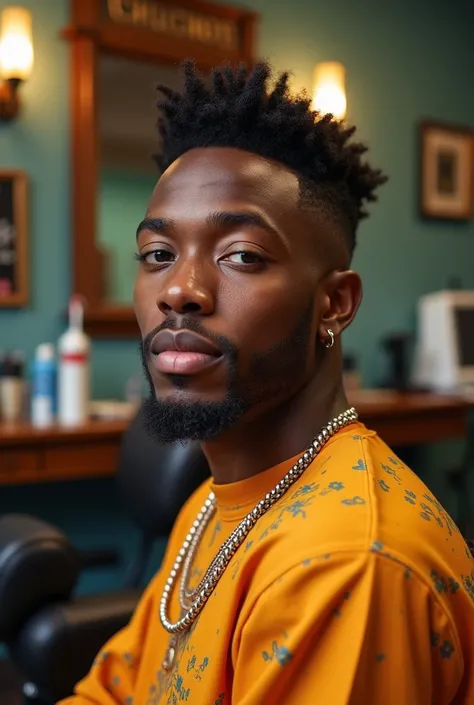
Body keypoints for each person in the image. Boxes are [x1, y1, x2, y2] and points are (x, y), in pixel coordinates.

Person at [59, 60, 474, 705]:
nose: (179, 291)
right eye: (157, 256)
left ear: (334, 303)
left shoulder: (346, 565)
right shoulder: (209, 506)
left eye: (242, 256)